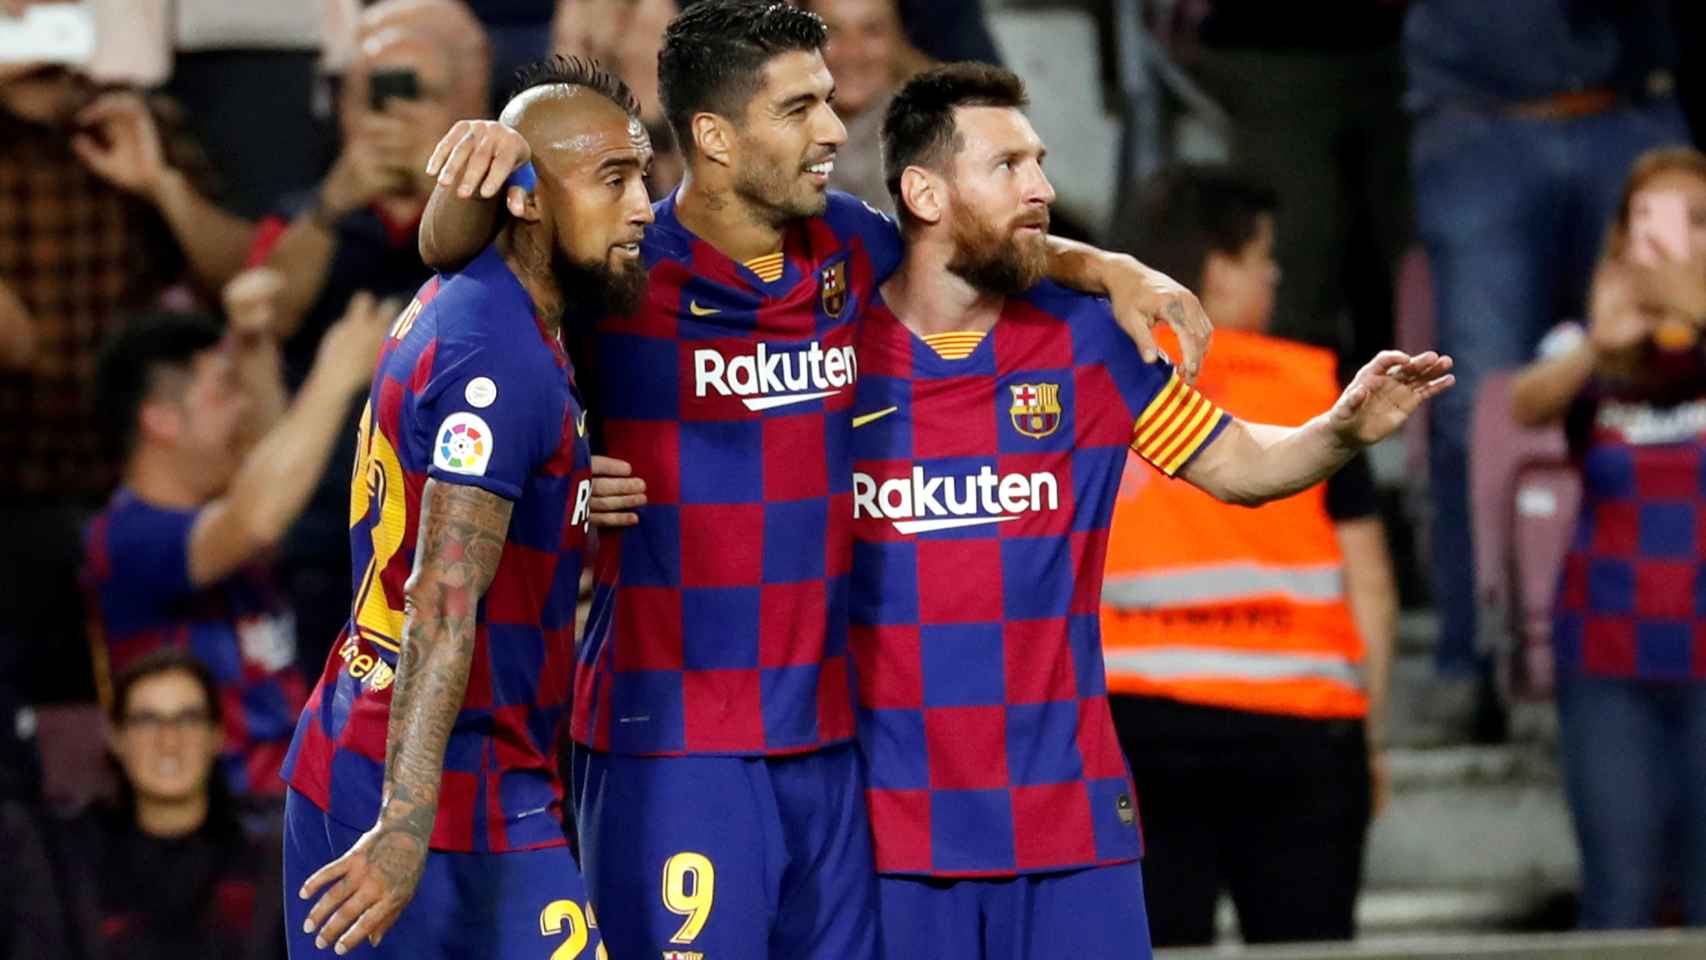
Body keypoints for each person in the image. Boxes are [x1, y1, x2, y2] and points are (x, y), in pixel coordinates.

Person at [418, 6, 1212, 957]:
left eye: (830, 102)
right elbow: (459, 271)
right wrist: (486, 162)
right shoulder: (624, 269)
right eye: (801, 108)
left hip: (831, 751)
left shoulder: (850, 243)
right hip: (672, 743)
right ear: (713, 137)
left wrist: (1107, 266)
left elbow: (969, 243)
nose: (836, 130)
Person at [847, 63, 1447, 960]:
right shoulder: (827, 351)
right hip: (887, 829)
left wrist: (1342, 430)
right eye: (1008, 165)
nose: (1043, 187)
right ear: (925, 192)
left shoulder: (1086, 342)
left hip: (1072, 824)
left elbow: (1241, 465)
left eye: (1041, 161)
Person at [282, 56, 652, 957]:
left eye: (642, 173)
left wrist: (558, 490)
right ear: (525, 200)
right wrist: (403, 829)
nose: (643, 204)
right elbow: (443, 603)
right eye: (614, 178)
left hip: (440, 766)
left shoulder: (487, 305)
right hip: (421, 796)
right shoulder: (501, 357)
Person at [1102, 166, 1398, 945]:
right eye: (1261, 256)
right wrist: (1370, 734)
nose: (1271, 274)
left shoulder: (1100, 382)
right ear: (1217, 267)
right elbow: (1368, 579)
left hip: (1137, 731)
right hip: (1299, 732)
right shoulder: (1319, 389)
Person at [1405, 0, 1692, 736]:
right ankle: (1471, 658)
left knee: (1679, 366)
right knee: (1475, 407)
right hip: (1479, 121)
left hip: (1629, 107)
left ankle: (1675, 636)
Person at [255, 0, 494, 678]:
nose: (391, 116)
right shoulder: (313, 211)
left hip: (460, 511)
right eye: (373, 94)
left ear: (465, 99)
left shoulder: (502, 208)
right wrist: (335, 202)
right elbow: (268, 307)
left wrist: (445, 197)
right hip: (332, 529)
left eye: (412, 93)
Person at [1508, 146, 1706, 929]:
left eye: (1697, 220)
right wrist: (1604, 336)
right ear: (1624, 235)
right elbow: (1526, 402)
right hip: (1608, 656)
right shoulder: (1586, 345)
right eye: (1655, 218)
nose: (1676, 238)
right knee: (1618, 896)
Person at [83, 294, 388, 797]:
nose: (243, 408)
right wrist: (336, 374)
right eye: (224, 392)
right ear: (160, 420)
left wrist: (256, 347)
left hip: (294, 802)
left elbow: (275, 465)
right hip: (216, 822)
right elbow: (258, 517)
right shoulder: (125, 537)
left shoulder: (227, 512)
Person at [44, 649, 286, 960]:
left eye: (188, 718)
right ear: (116, 737)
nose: (169, 742)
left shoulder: (273, 856)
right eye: (147, 720)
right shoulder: (68, 860)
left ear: (218, 735)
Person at [800, 0, 917, 214]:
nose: (852, 52)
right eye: (830, 31)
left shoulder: (935, 140)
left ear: (899, 40)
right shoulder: (766, 144)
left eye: (872, 30)